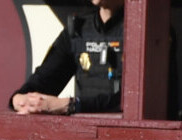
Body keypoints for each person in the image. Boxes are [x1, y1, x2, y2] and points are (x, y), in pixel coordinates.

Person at [10, 0, 178, 117]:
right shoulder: (79, 28)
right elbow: (44, 80)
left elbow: (136, 99)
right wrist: (19, 99)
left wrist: (71, 105)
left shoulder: (150, 29)